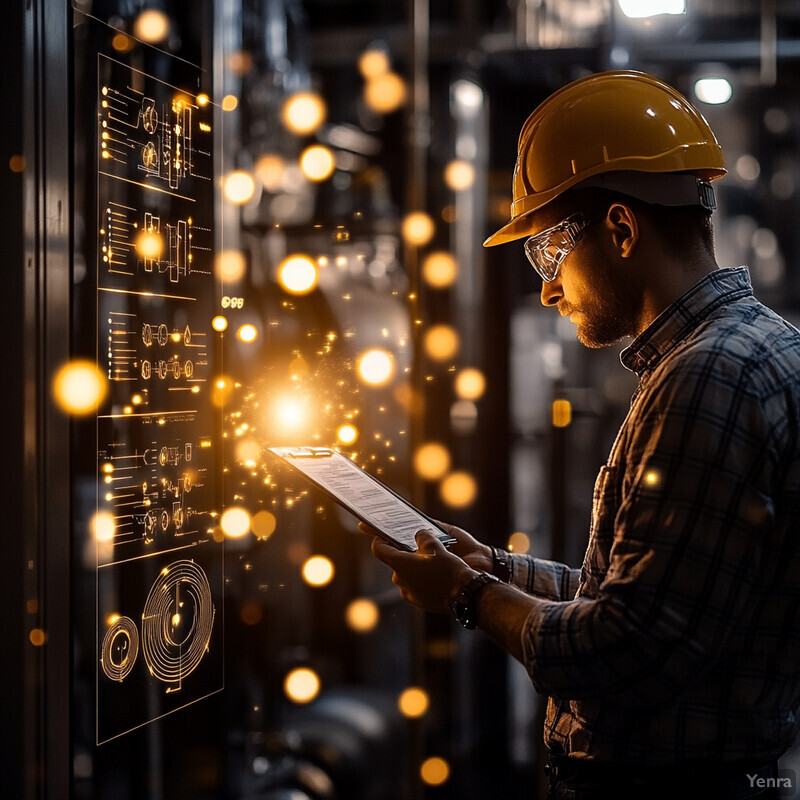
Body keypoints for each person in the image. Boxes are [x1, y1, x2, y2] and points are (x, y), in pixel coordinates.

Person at [363, 71, 800, 799]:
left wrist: (468, 596)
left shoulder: (707, 379)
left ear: (622, 229)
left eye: (548, 252)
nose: (547, 288)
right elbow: (638, 601)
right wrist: (494, 568)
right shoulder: (746, 352)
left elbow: (626, 651)